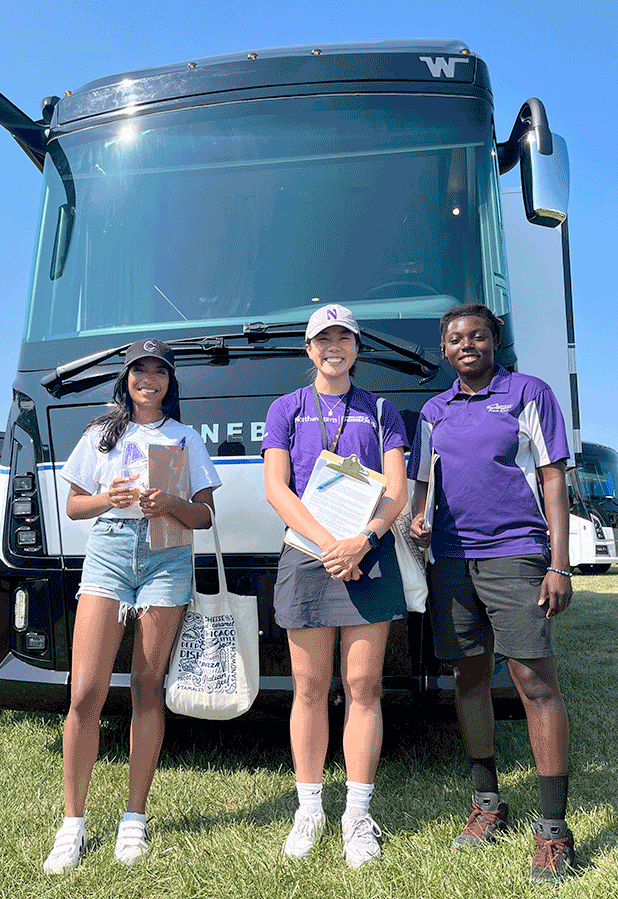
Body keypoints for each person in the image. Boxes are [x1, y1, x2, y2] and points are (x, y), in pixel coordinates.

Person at [407, 303, 575, 885]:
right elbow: (423, 483)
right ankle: (487, 803)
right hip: (452, 561)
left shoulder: (530, 393)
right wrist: (416, 519)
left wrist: (560, 563)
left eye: (476, 336)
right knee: (469, 679)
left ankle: (553, 831)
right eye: (455, 339)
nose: (466, 345)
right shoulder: (434, 409)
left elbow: (553, 476)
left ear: (494, 341)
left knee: (533, 680)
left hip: (517, 554)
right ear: (446, 351)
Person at [43, 338, 221, 873]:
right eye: (139, 371)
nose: (149, 379)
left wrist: (170, 502)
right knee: (86, 692)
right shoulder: (101, 433)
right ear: (125, 380)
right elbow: (74, 506)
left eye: (159, 371)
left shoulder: (188, 437)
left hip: (167, 556)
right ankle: (73, 824)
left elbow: (205, 517)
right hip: (110, 550)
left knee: (148, 686)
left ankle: (133, 819)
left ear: (170, 382)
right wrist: (111, 499)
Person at [261, 304, 408, 868]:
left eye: (343, 338)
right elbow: (278, 488)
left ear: (356, 347)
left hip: (368, 554)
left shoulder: (382, 410)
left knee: (364, 686)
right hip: (309, 555)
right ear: (308, 348)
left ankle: (358, 814)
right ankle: (309, 809)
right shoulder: (286, 409)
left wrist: (365, 539)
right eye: (323, 339)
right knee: (309, 688)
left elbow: (395, 486)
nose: (334, 347)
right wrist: (329, 543)